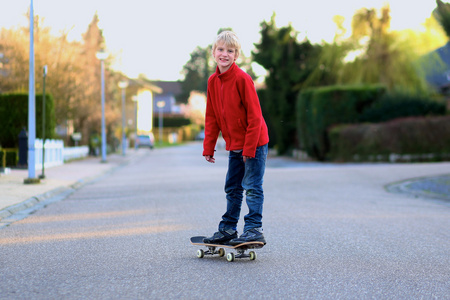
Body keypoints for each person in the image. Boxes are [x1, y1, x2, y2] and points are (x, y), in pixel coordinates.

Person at [202, 31, 269, 245]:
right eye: (220, 50)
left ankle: (253, 229)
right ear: (213, 53)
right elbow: (211, 116)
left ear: (236, 55)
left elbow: (255, 117)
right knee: (232, 187)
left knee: (251, 186)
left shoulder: (242, 79)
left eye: (230, 51)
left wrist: (249, 149)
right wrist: (208, 147)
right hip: (235, 146)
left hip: (254, 143)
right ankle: (228, 229)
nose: (224, 54)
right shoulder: (213, 81)